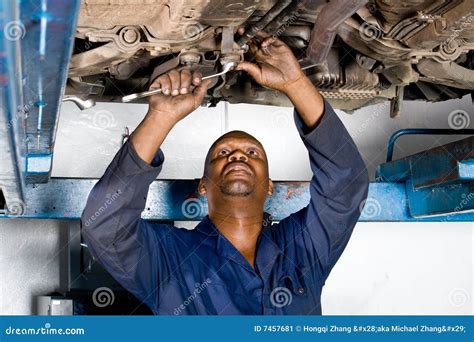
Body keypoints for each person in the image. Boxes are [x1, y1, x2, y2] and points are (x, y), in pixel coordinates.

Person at [81, 31, 369, 315]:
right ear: (203, 186)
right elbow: (106, 229)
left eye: (252, 153)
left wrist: (296, 84)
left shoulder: (302, 249)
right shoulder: (171, 259)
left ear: (270, 186)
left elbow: (346, 184)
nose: (238, 155)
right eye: (223, 154)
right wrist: (160, 117)